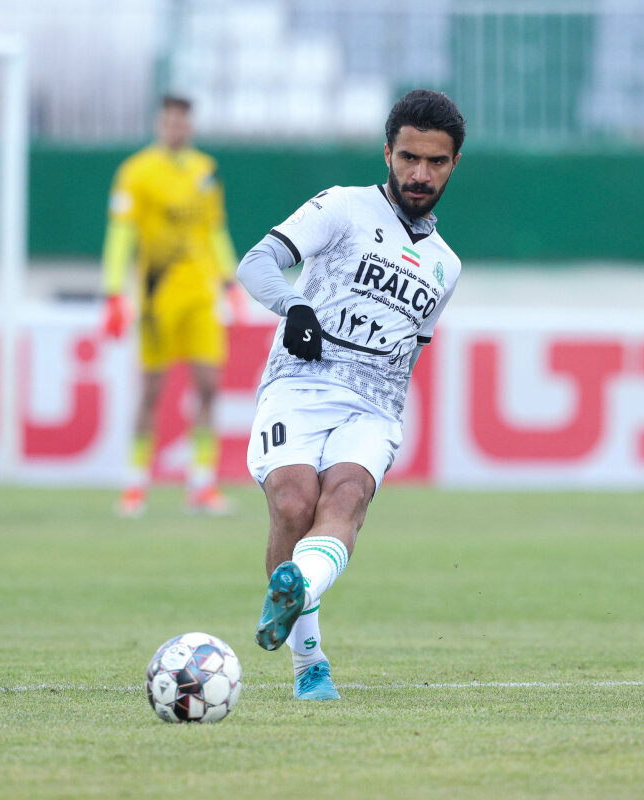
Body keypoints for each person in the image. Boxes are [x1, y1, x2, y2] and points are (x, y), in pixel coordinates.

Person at [235, 89, 465, 700]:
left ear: (453, 165)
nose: (420, 174)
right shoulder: (342, 207)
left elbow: (413, 348)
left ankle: (302, 618)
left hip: (373, 407)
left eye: (435, 162)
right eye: (409, 157)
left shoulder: (446, 266)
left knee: (346, 496)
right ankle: (307, 654)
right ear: (387, 153)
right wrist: (294, 304)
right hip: (299, 383)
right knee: (292, 504)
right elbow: (256, 262)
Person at [100, 94, 248, 517]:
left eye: (181, 122)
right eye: (168, 122)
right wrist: (113, 291)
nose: (175, 128)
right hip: (156, 298)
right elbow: (121, 233)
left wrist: (230, 281)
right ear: (158, 124)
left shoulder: (206, 170)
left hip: (200, 294)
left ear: (190, 126)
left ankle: (201, 484)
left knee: (209, 386)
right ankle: (135, 484)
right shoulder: (136, 172)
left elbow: (215, 228)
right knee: (151, 390)